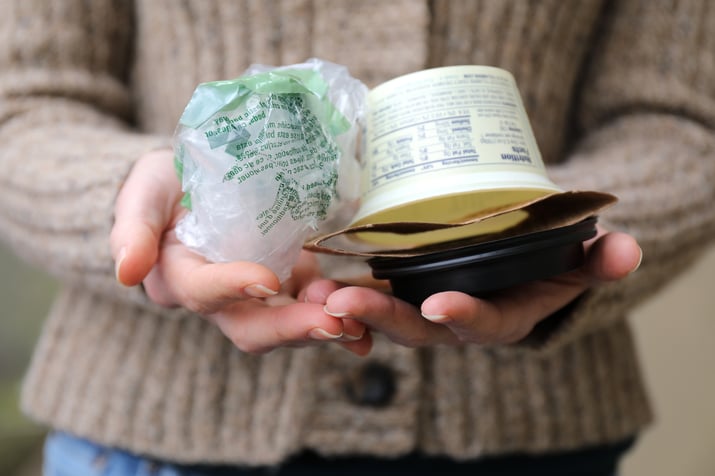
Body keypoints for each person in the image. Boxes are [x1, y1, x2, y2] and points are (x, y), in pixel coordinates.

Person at [1, 0, 713, 474]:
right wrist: (150, 199)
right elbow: (22, 103)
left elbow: (682, 125)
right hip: (150, 435)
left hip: (536, 435)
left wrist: (551, 239)